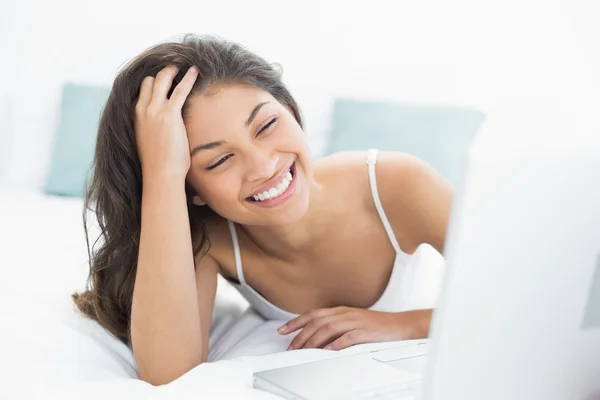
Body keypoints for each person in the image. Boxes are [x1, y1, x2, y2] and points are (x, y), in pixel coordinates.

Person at [72, 34, 453, 386]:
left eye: (267, 124)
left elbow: (512, 290)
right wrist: (162, 176)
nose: (263, 166)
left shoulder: (397, 184)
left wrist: (404, 325)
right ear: (192, 189)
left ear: (288, 108)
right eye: (219, 160)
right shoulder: (213, 237)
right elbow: (169, 373)